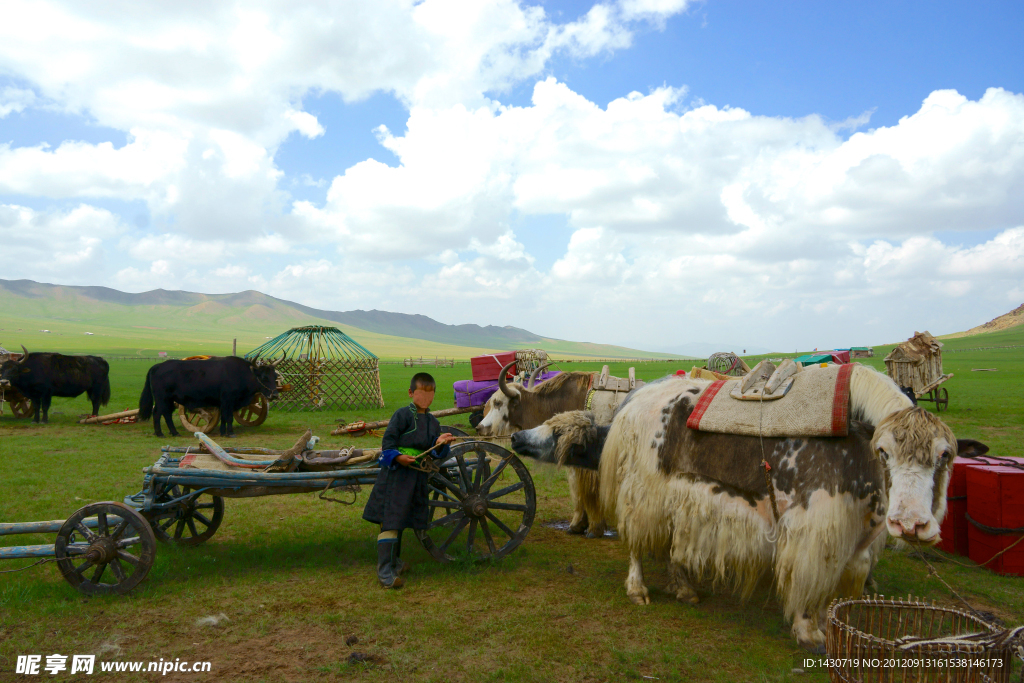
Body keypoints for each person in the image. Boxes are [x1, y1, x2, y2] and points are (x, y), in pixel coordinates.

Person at [362, 372, 456, 588]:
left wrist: (441, 442)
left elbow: (434, 452)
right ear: (411, 393)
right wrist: (399, 457)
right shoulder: (402, 415)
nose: (425, 398)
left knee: (403, 519)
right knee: (392, 519)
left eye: (429, 393)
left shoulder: (433, 422)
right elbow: (388, 443)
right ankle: (385, 569)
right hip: (397, 475)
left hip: (417, 477)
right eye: (421, 393)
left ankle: (395, 561)